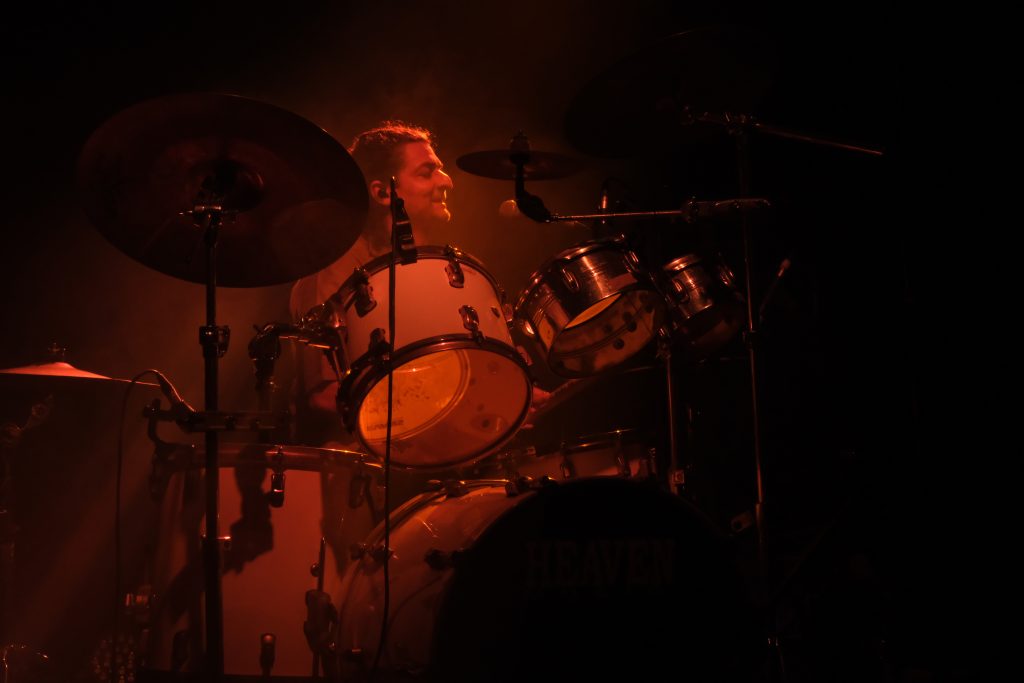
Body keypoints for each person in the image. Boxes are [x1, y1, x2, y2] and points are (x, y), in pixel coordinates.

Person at [288, 121, 454, 447]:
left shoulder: (437, 269)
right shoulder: (335, 268)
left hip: (429, 452)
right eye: (427, 173)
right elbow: (326, 395)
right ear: (382, 193)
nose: (446, 181)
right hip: (354, 465)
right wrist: (441, 411)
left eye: (440, 169)